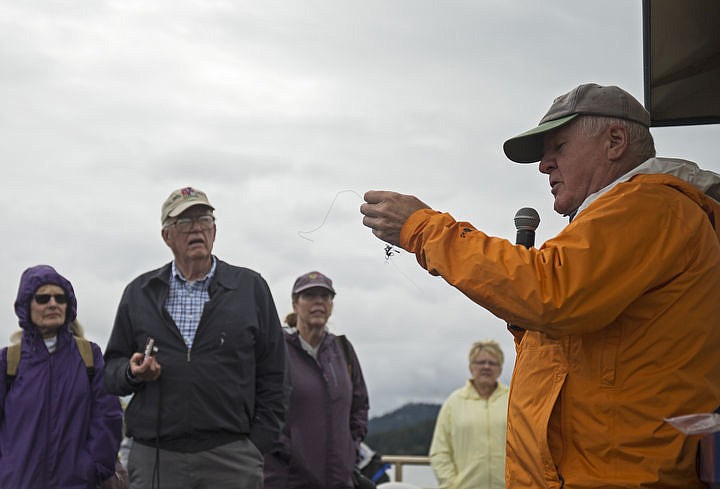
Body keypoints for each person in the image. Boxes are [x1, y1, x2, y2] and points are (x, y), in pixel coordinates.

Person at [360, 83, 720, 488]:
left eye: (559, 147)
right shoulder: (628, 218)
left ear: (615, 141)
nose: (544, 165)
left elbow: (552, 294)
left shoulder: (651, 207)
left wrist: (422, 228)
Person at [103, 186, 288, 489]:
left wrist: (256, 444)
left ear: (215, 230)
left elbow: (276, 375)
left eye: (204, 219)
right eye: (184, 222)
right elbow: (111, 371)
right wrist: (131, 371)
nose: (196, 229)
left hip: (232, 457)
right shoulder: (139, 292)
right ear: (166, 236)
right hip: (156, 457)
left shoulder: (250, 287)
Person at [0, 264, 123, 489]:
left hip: (77, 483)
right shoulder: (8, 361)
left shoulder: (90, 356)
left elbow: (108, 418)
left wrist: (92, 469)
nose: (53, 304)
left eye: (60, 298)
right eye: (43, 298)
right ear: (26, 305)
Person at [263, 271, 369, 489]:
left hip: (338, 479)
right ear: (295, 304)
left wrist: (350, 448)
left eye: (325, 296)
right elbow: (261, 407)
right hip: (287, 479)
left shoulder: (343, 350)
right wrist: (290, 453)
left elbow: (359, 407)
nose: (319, 301)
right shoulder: (276, 350)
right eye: (309, 296)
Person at [429, 340, 508, 489]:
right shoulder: (453, 403)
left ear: (500, 368)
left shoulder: (513, 400)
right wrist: (451, 485)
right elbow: (439, 452)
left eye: (492, 363)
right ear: (471, 366)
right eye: (481, 362)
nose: (486, 367)